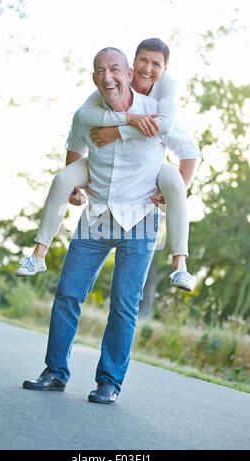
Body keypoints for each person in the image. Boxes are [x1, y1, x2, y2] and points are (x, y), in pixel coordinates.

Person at [22, 47, 200, 403]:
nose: (109, 77)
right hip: (96, 219)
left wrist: (172, 192)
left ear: (129, 73)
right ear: (95, 77)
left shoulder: (155, 114)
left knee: (123, 305)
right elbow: (74, 152)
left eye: (115, 69)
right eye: (101, 71)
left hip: (140, 222)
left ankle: (109, 382)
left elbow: (190, 151)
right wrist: (74, 189)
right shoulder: (86, 115)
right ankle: (55, 372)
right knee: (68, 295)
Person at [15, 38, 201, 292]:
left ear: (164, 70)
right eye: (143, 60)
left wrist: (118, 132)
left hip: (149, 166)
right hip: (102, 165)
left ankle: (180, 266)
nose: (148, 68)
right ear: (132, 66)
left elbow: (169, 130)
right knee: (62, 179)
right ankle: (37, 255)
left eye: (156, 64)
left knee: (175, 183)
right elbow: (84, 119)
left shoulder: (162, 94)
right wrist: (76, 189)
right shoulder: (109, 83)